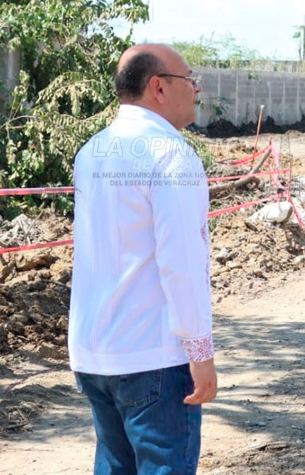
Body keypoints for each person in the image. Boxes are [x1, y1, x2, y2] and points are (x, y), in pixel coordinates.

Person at [71, 43, 218, 475]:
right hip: (153, 357)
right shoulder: (170, 154)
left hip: (96, 352)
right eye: (190, 80)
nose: (196, 90)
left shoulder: (92, 151)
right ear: (158, 87)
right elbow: (182, 263)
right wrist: (200, 351)